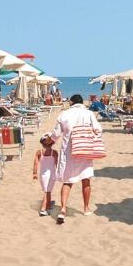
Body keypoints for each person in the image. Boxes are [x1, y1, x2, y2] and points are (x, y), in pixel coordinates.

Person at [47, 94, 102, 224]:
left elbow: (55, 135)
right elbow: (98, 129)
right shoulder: (88, 114)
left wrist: (48, 142)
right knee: (86, 179)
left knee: (67, 181)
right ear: (82, 102)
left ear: (71, 102)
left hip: (68, 152)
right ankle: (86, 208)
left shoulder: (64, 114)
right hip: (84, 149)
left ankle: (63, 209)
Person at [32, 134, 58, 217]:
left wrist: (35, 173)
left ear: (42, 143)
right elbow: (57, 164)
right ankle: (43, 209)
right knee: (47, 192)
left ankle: (49, 205)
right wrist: (60, 173)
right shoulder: (54, 152)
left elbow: (36, 163)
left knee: (47, 191)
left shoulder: (39, 152)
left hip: (42, 175)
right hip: (52, 175)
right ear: (52, 143)